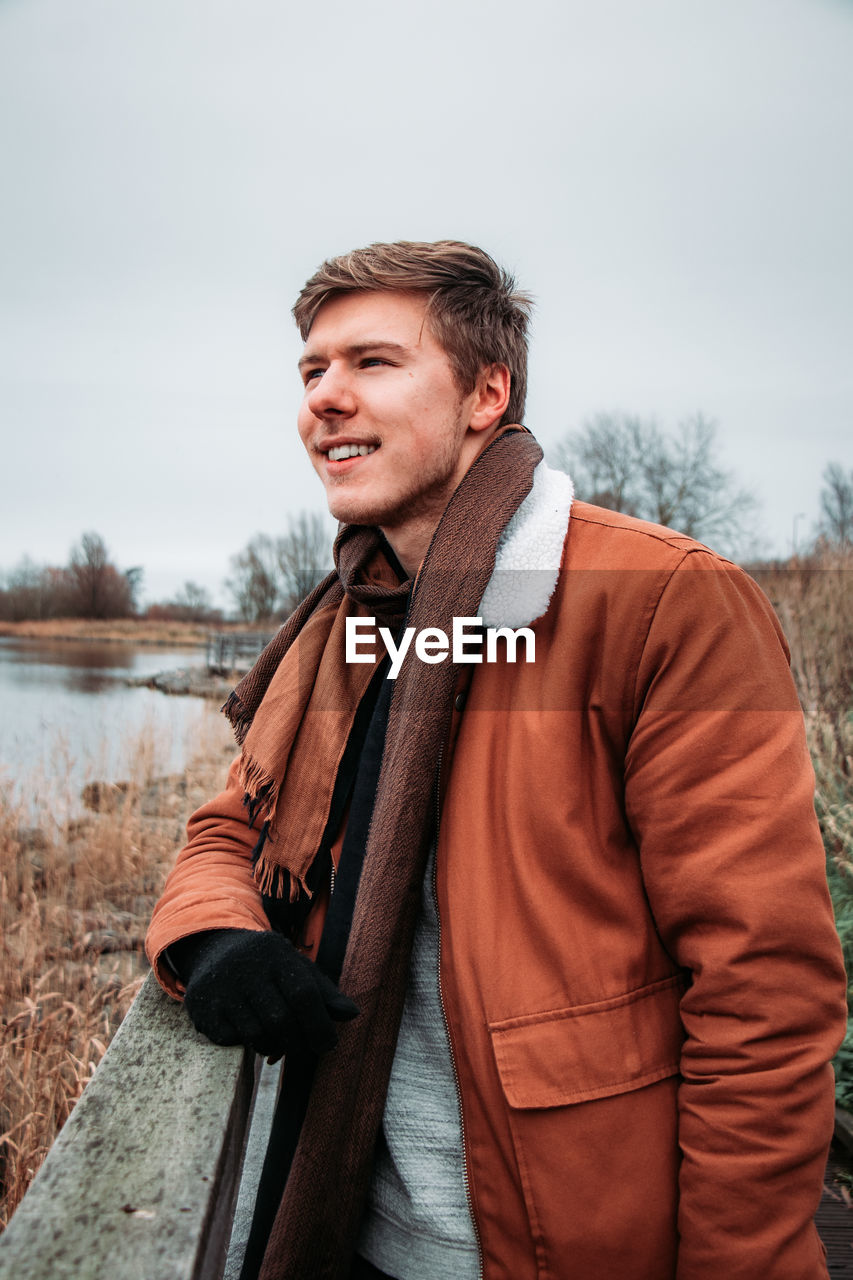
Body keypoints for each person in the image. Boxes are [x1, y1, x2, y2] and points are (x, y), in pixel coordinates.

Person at [146, 240, 847, 1280]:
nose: (324, 399)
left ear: (486, 393)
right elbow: (226, 828)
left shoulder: (663, 602)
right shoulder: (353, 626)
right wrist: (218, 944)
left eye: (372, 363)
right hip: (360, 1228)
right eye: (310, 371)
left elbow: (762, 985)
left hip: (573, 1239)